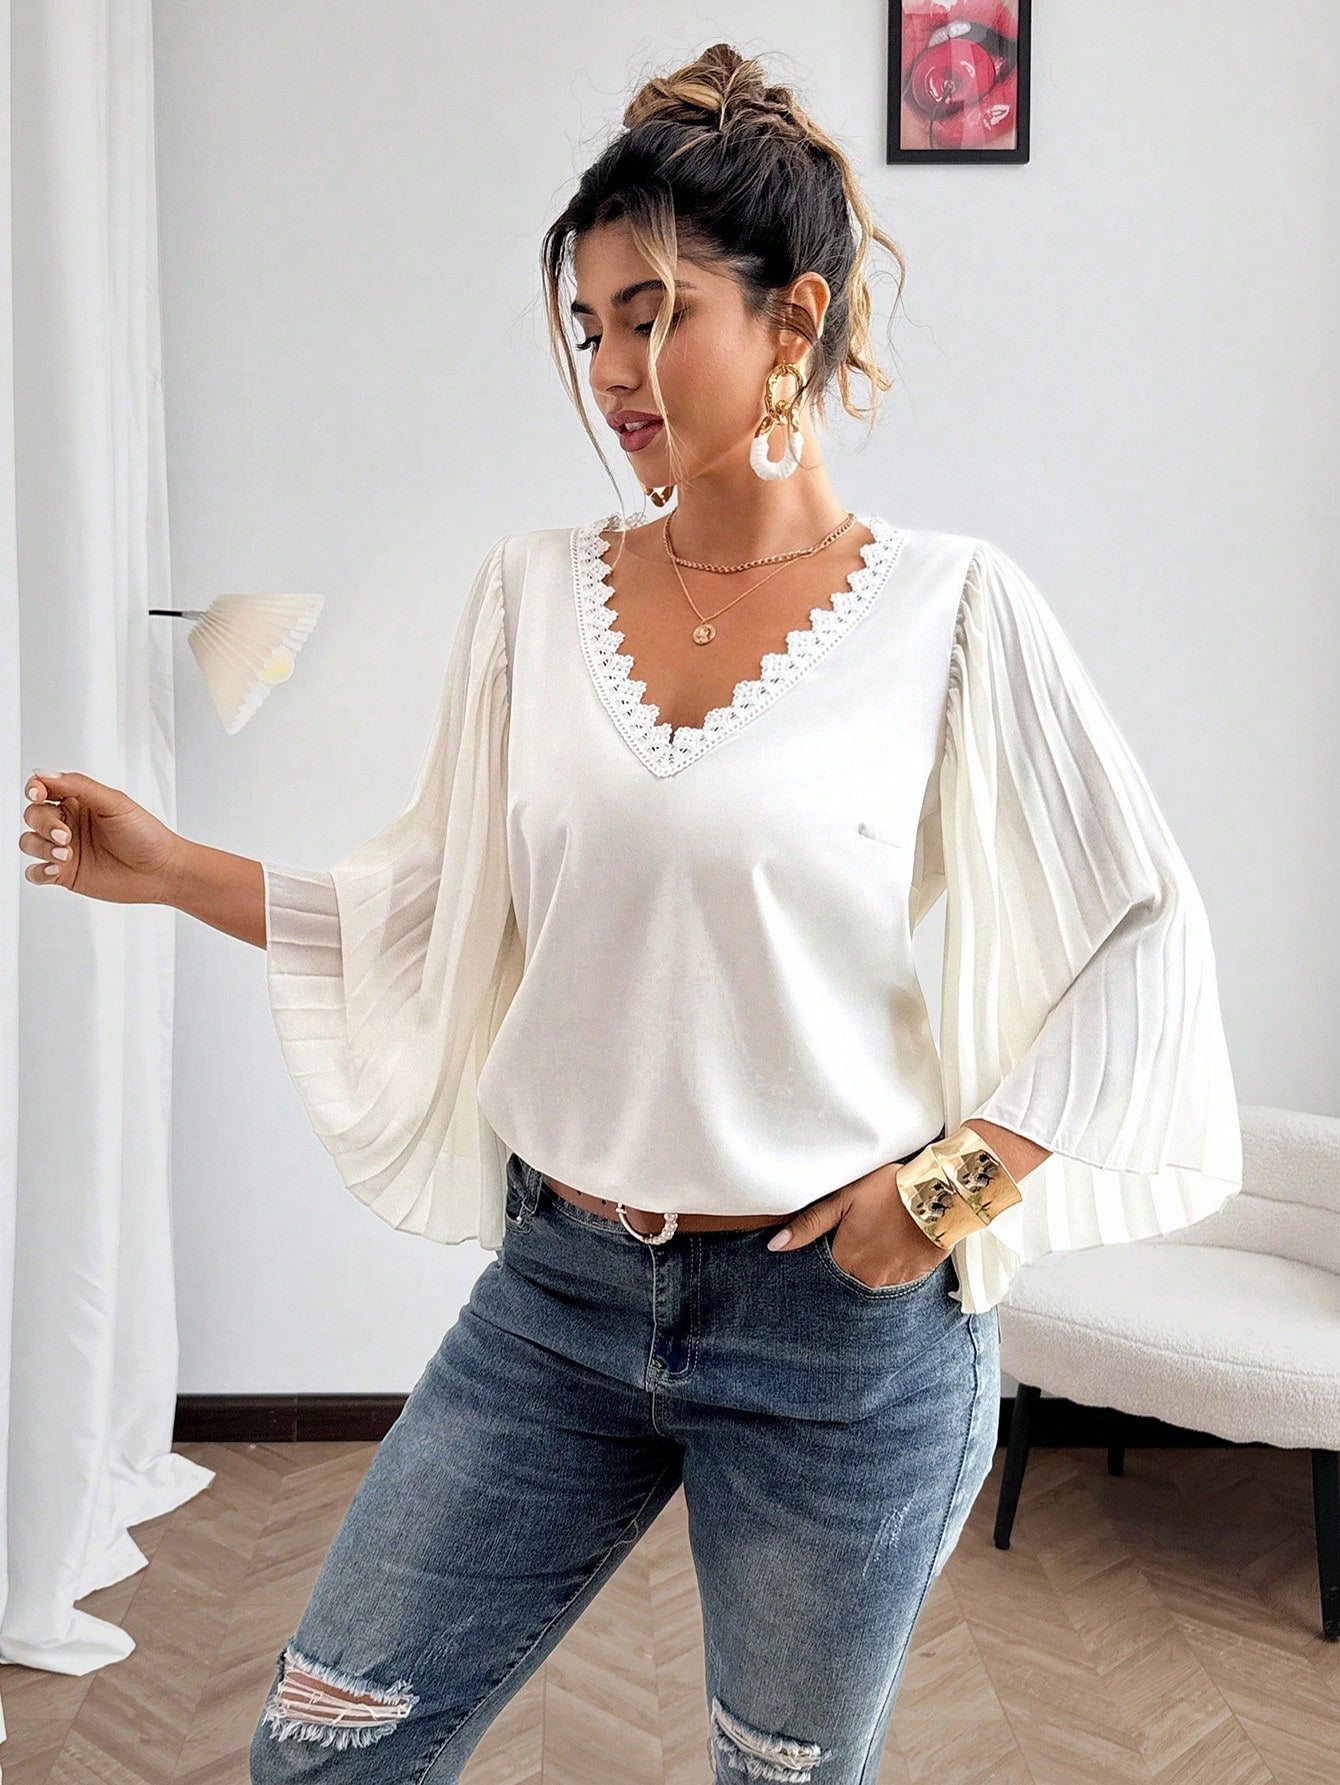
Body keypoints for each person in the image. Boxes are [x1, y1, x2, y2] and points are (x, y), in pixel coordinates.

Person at [17, 40, 1242, 1785]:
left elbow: (1146, 933)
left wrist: (942, 1196)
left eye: (655, 316)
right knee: (318, 1755)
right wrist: (164, 868)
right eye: (590, 324)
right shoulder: (531, 596)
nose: (609, 371)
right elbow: (428, 908)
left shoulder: (954, 610)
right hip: (561, 1298)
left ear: (794, 319)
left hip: (840, 1334)